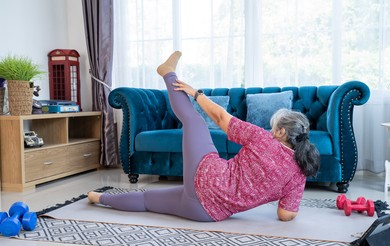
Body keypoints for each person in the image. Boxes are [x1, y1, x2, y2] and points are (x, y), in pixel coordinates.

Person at [88, 51, 321, 222]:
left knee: (194, 120)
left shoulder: (263, 139)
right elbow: (286, 214)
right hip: (208, 213)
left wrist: (196, 93)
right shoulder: (299, 173)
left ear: (281, 132)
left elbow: (220, 118)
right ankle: (97, 198)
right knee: (148, 200)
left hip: (205, 178)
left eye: (274, 128)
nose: (271, 131)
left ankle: (168, 73)